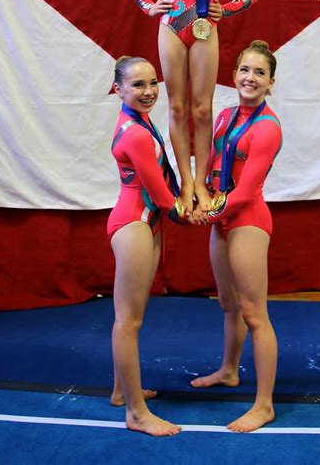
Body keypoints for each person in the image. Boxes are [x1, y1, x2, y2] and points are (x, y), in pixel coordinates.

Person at [122, 0, 259, 215]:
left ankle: (201, 181)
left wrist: (224, 10)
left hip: (204, 29)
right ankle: (184, 182)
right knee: (178, 108)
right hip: (172, 27)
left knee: (201, 109)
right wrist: (150, 6)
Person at [190, 40, 282, 433]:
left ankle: (264, 405)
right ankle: (229, 371)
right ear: (234, 75)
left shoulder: (268, 128)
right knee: (228, 303)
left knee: (254, 313)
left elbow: (244, 193)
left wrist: (206, 210)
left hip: (247, 221)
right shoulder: (226, 116)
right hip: (221, 220)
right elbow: (209, 166)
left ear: (271, 83)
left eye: (259, 73)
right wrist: (197, 194)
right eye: (245, 70)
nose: (250, 78)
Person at [107, 55, 187, 437]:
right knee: (129, 320)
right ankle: (137, 414)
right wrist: (199, 211)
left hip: (144, 222)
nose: (149, 91)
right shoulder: (137, 132)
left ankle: (123, 390)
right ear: (117, 89)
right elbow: (161, 195)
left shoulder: (139, 119)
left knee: (132, 316)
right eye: (137, 85)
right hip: (135, 223)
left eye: (153, 82)